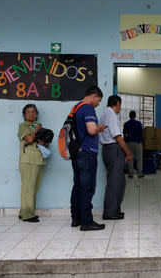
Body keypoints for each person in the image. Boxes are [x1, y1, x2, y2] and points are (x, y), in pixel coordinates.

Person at [70, 86, 107, 231]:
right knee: (87, 187)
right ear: (94, 95)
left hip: (76, 152)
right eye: (99, 100)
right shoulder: (88, 108)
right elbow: (91, 130)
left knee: (77, 186)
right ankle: (86, 222)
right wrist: (100, 128)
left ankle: (76, 218)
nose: (98, 103)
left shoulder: (75, 107)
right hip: (87, 153)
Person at [100, 95, 133, 220]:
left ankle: (115, 210)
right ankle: (110, 213)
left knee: (119, 181)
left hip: (110, 150)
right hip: (113, 149)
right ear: (117, 104)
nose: (120, 107)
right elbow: (118, 137)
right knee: (114, 182)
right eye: (120, 104)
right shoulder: (111, 115)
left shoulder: (105, 113)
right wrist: (128, 153)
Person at [17, 104, 48, 222]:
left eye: (34, 112)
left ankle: (24, 212)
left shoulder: (39, 126)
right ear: (24, 115)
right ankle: (28, 215)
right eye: (28, 112)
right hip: (28, 161)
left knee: (33, 188)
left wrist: (43, 142)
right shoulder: (23, 126)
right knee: (28, 188)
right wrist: (36, 130)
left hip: (38, 160)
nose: (31, 114)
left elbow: (45, 143)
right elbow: (29, 139)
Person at [123, 111, 144, 178]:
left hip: (129, 143)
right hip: (138, 143)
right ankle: (139, 174)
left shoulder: (126, 124)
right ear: (135, 116)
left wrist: (125, 142)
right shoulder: (139, 123)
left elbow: (124, 134)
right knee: (139, 158)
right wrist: (141, 142)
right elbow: (141, 133)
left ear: (129, 116)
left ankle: (130, 174)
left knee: (130, 158)